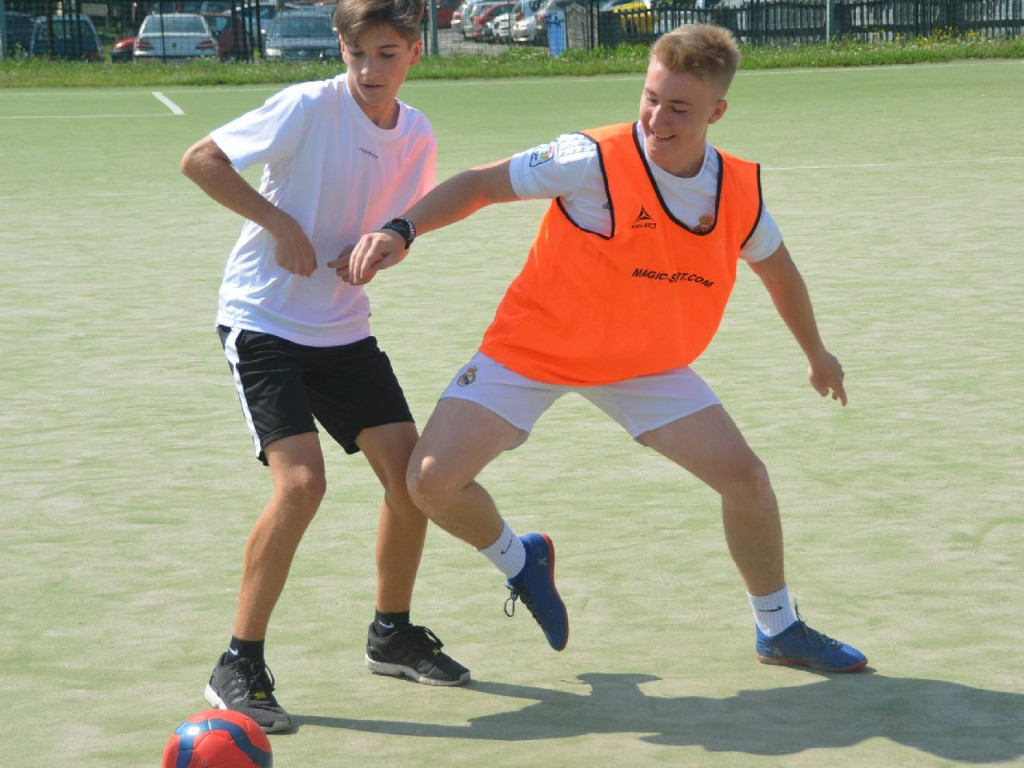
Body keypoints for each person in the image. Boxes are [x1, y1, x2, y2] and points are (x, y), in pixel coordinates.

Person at [336, 23, 868, 673]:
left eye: (679, 108)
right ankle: (520, 559)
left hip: (642, 363)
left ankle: (778, 629)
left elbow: (777, 269)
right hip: (534, 349)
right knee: (429, 482)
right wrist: (403, 227)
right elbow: (479, 184)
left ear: (716, 112)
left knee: (747, 479)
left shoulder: (736, 192)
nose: (656, 118)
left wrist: (816, 353)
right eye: (650, 97)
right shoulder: (587, 158)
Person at [180, 0, 470, 734]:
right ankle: (237, 663)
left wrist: (380, 248)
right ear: (341, 50)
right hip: (264, 322)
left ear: (413, 52)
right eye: (356, 55)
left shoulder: (418, 134)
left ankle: (392, 635)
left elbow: (396, 221)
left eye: (385, 54)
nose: (369, 71)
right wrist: (280, 224)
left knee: (412, 482)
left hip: (342, 328)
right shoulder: (306, 106)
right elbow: (201, 160)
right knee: (303, 484)